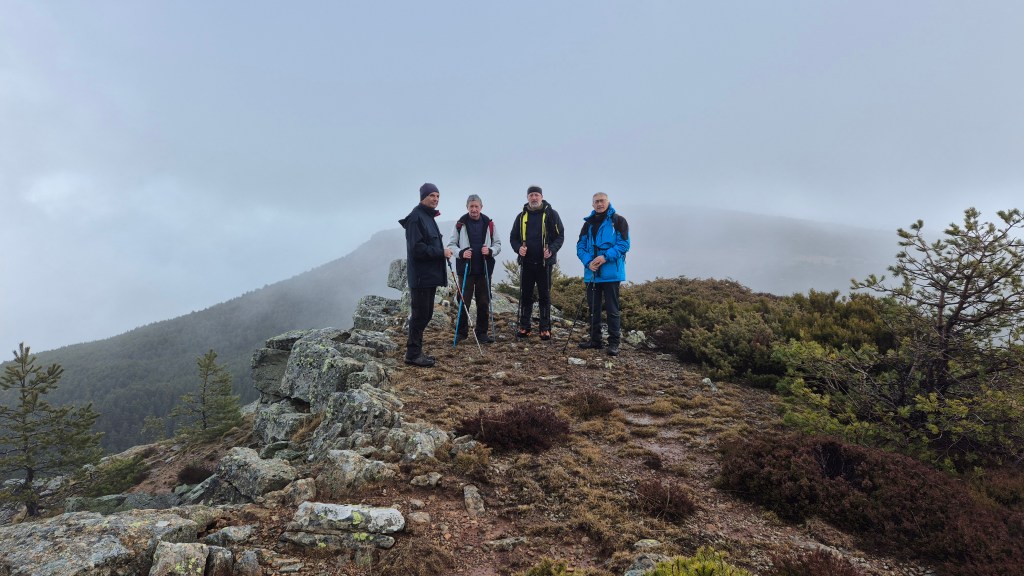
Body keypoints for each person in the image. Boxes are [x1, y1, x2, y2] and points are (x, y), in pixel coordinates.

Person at [399, 183, 453, 367]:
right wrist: (441, 252)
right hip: (421, 277)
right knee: (420, 315)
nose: (435, 199)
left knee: (426, 314)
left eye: (438, 196)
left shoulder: (428, 216)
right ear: (423, 197)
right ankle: (413, 354)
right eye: (432, 195)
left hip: (429, 277)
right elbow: (417, 249)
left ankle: (416, 351)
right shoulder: (416, 218)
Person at [575, 192, 630, 356]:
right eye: (596, 202)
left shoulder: (618, 221)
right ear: (592, 204)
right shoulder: (588, 224)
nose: (599, 204)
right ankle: (595, 340)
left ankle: (614, 343)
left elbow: (624, 245)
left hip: (611, 274)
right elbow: (580, 246)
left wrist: (605, 257)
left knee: (612, 309)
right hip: (592, 273)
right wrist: (588, 262)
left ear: (608, 202)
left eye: (602, 201)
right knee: (593, 308)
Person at [510, 185, 564, 340]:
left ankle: (545, 328)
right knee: (525, 295)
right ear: (527, 197)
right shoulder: (521, 216)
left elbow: (560, 236)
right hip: (527, 263)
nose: (534, 198)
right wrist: (518, 248)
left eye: (536, 195)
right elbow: (513, 238)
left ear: (542, 197)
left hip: (544, 264)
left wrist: (551, 249)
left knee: (544, 296)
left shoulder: (551, 214)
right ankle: (524, 327)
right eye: (531, 195)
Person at [447, 194, 502, 344]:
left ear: (481, 207)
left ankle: (482, 333)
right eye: (471, 206)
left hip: (484, 270)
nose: (474, 209)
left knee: (483, 302)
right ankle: (461, 333)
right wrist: (461, 253)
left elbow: (497, 244)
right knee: (463, 302)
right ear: (467, 207)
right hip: (466, 269)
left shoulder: (489, 223)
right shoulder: (460, 224)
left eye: (476, 206)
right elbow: (451, 245)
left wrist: (490, 250)